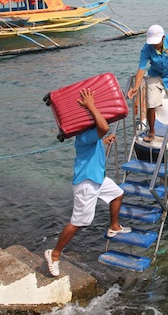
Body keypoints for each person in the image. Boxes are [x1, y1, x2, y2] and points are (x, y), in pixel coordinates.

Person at [45, 88, 131, 277]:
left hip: (97, 179)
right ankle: (55, 253)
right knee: (79, 221)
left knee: (117, 194)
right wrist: (91, 105)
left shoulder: (90, 135)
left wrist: (105, 141)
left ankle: (114, 227)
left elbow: (101, 135)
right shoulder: (84, 135)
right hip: (86, 183)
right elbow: (104, 127)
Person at [127, 25, 168, 142]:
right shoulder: (146, 48)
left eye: (157, 42)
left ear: (163, 38)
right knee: (151, 103)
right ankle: (151, 131)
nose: (154, 45)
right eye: (152, 42)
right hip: (155, 75)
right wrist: (136, 87)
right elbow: (141, 68)